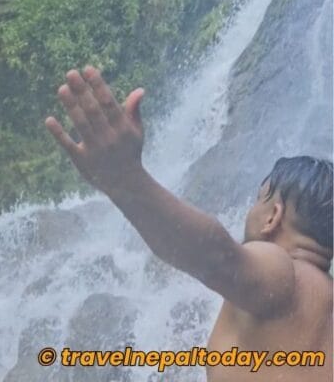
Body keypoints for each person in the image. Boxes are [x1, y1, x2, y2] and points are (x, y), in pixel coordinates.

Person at [46, 67, 332, 382]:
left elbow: (217, 256)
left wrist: (126, 180)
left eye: (258, 199)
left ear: (273, 216)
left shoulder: (284, 276)